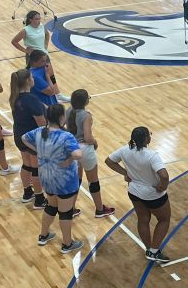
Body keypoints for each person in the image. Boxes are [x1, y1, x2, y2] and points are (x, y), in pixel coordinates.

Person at [23, 104, 84, 254]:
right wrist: (69, 160)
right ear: (61, 118)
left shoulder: (39, 132)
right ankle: (67, 244)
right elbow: (78, 155)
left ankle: (43, 235)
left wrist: (39, 151)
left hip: (46, 177)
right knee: (65, 212)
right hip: (65, 180)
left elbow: (23, 138)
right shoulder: (66, 136)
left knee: (51, 206)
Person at [105, 127, 171, 262]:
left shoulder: (124, 150)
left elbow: (109, 161)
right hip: (153, 195)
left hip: (134, 192)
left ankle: (148, 248)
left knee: (143, 219)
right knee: (164, 219)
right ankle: (153, 251)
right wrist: (163, 187)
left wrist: (125, 173)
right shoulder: (152, 155)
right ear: (147, 139)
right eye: (149, 135)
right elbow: (164, 176)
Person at [67, 89, 115, 218]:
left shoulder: (67, 111)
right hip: (84, 149)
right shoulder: (86, 115)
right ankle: (100, 209)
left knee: (75, 180)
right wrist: (95, 142)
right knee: (93, 181)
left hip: (71, 148)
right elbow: (88, 137)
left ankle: (70, 209)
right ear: (85, 101)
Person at [11, 10, 70, 102]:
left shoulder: (42, 27)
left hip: (44, 55)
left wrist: (45, 45)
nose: (39, 21)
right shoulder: (26, 30)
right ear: (30, 20)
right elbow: (14, 41)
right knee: (32, 77)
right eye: (36, 19)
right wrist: (25, 50)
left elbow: (47, 35)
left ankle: (58, 94)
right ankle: (28, 96)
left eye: (39, 19)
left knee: (50, 75)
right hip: (33, 57)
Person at [10, 69, 48, 209]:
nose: (33, 79)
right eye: (32, 77)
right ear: (28, 81)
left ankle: (27, 192)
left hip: (19, 135)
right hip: (32, 138)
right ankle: (39, 199)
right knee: (35, 169)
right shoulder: (31, 100)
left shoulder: (15, 97)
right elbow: (42, 124)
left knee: (26, 164)